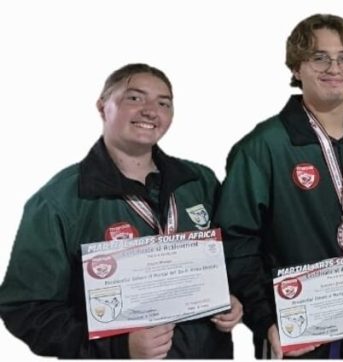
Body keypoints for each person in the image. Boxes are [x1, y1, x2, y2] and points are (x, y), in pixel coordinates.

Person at [0, 63, 242, 358]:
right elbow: (26, 309)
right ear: (103, 107)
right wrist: (118, 348)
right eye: (134, 98)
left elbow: (236, 256)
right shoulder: (59, 200)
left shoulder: (199, 181)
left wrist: (231, 299)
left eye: (163, 102)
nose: (151, 111)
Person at [217, 14, 343, 359]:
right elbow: (235, 241)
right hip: (295, 332)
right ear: (296, 68)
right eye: (319, 57)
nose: (334, 67)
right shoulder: (262, 147)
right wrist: (264, 318)